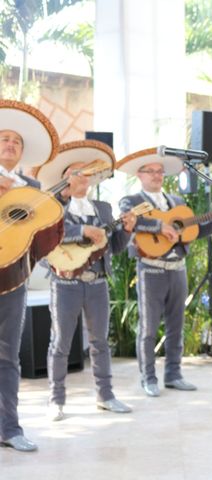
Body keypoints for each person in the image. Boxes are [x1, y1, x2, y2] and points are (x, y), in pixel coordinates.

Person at [36, 141, 136, 421]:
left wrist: (126, 231)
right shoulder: (54, 207)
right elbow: (48, 234)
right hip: (64, 283)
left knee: (100, 342)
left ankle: (106, 395)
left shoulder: (103, 208)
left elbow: (113, 246)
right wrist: (82, 229)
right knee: (61, 343)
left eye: (88, 172)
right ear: (66, 179)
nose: (85, 176)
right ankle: (56, 400)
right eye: (78, 171)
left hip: (97, 283)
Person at [117, 149, 212, 397]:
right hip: (151, 271)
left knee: (176, 326)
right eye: (150, 171)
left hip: (178, 270)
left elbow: (195, 230)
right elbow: (127, 221)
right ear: (139, 175)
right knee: (149, 328)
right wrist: (158, 225)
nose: (156, 175)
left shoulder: (176, 203)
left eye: (160, 171)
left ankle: (174, 375)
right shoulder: (132, 201)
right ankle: (149, 378)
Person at [0, 100, 59, 452]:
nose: (9, 144)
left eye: (16, 142)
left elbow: (45, 233)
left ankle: (9, 427)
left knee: (8, 356)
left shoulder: (33, 187)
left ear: (22, 151)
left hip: (13, 280)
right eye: (4, 138)